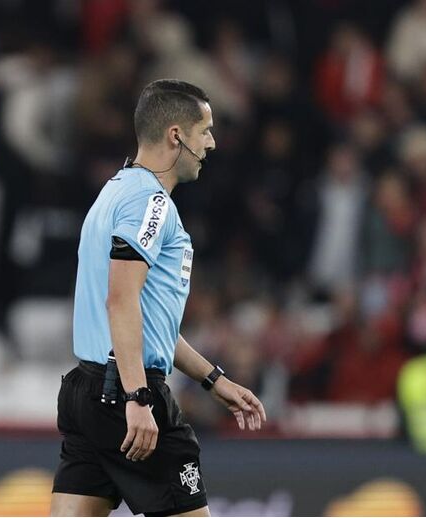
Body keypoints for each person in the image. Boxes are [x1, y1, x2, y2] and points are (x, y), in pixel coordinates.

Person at [51, 79, 266, 517]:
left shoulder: (114, 191)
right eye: (204, 130)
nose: (211, 142)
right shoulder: (151, 203)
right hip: (127, 393)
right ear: (176, 136)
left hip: (88, 391)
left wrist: (214, 381)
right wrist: (138, 398)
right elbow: (121, 301)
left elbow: (149, 321)